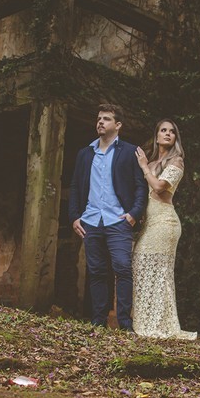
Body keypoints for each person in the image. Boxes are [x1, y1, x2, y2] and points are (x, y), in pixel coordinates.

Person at [68, 104, 148, 330]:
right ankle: (98, 321)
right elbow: (75, 187)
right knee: (96, 271)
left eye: (106, 119)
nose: (100, 122)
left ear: (118, 125)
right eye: (98, 118)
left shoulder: (129, 152)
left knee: (123, 268)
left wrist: (134, 214)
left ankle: (124, 323)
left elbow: (140, 187)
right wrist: (75, 216)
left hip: (118, 221)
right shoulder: (85, 154)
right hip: (91, 220)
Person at [132, 119, 197, 340]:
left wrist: (142, 166)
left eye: (172, 132)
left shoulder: (176, 162)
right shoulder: (151, 162)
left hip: (165, 222)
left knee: (159, 273)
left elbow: (159, 188)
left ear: (176, 138)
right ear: (157, 135)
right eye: (163, 130)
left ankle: (160, 325)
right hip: (147, 223)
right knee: (140, 266)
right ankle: (143, 321)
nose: (167, 134)